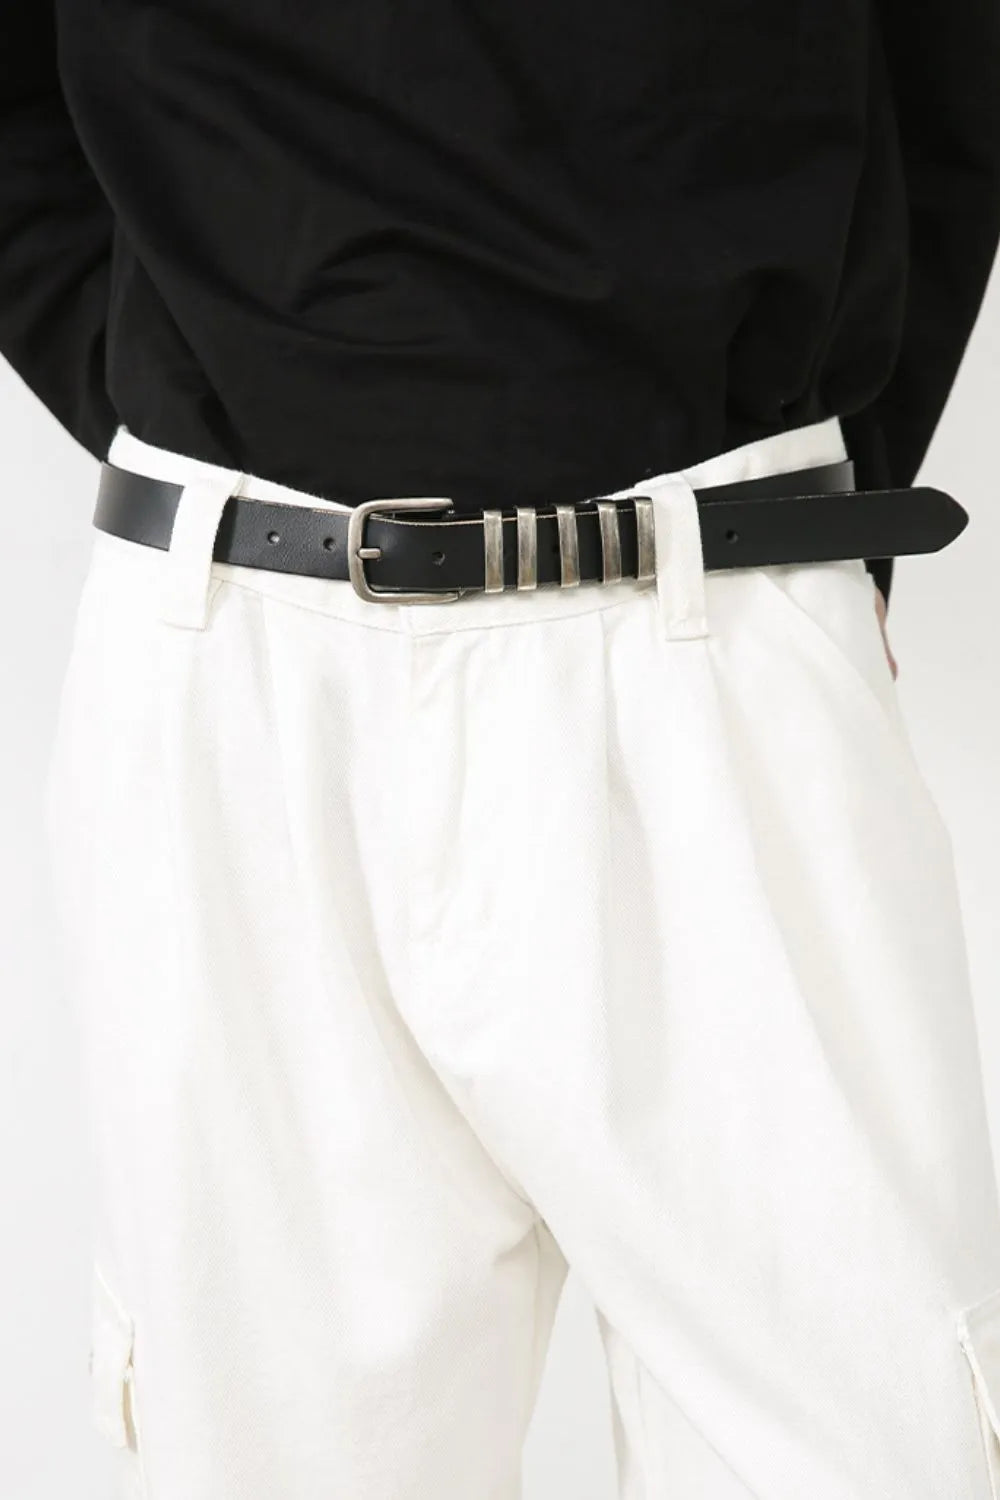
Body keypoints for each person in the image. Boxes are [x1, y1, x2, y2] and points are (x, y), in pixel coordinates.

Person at [5, 3, 1000, 1496]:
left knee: (867, 1442)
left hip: (719, 617)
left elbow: (949, 64)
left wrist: (809, 517)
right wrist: (211, 400)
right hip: (242, 655)